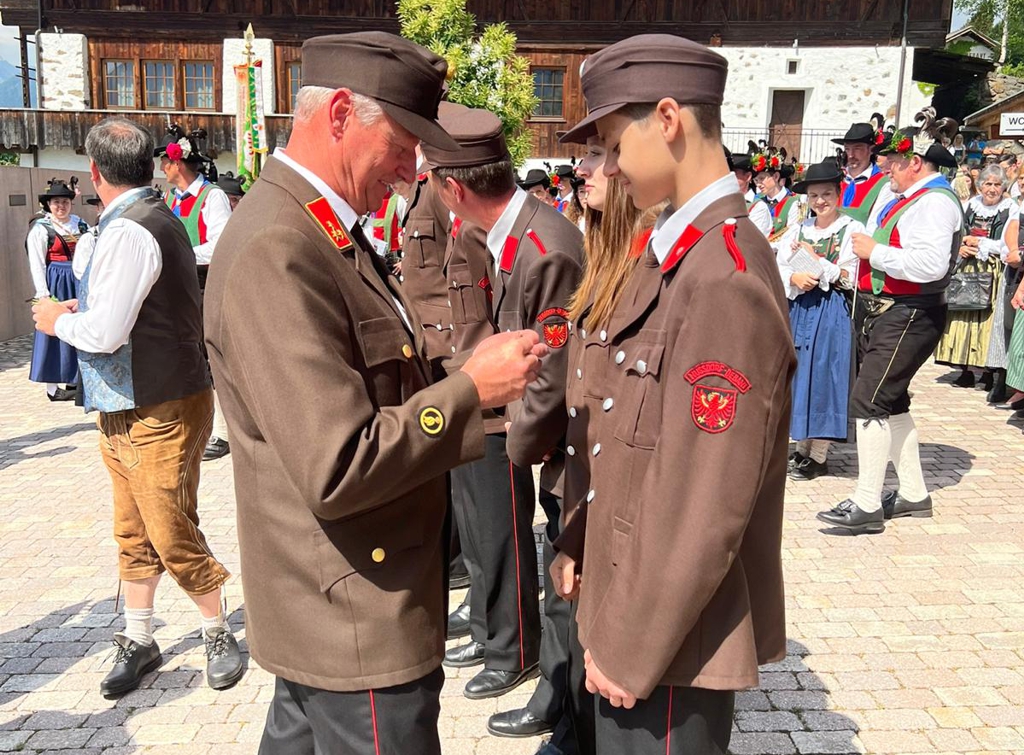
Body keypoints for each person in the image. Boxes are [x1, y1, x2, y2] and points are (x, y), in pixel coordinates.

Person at [203, 33, 546, 754]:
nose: (411, 168)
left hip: (342, 602)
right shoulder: (278, 246)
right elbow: (337, 463)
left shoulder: (320, 229)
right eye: (402, 142)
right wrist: (469, 390)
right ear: (339, 115)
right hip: (354, 614)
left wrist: (466, 376)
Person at [549, 34, 795, 755]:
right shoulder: (677, 255)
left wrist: (630, 644)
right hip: (632, 603)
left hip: (666, 643)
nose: (607, 167)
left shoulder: (723, 275)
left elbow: (704, 498)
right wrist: (578, 540)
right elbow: (621, 425)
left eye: (614, 145)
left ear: (667, 119)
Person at [31, 117, 243, 697]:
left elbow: (104, 334)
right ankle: (140, 635)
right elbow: (124, 307)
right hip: (132, 397)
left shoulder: (130, 230)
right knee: (132, 527)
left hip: (160, 400)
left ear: (94, 172)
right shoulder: (142, 218)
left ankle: (216, 629)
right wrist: (82, 308)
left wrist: (55, 321)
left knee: (168, 523)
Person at [426, 102, 584, 703]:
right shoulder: (508, 235)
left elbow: (553, 369)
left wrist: (513, 447)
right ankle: (540, 678)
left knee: (556, 561)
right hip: (521, 422)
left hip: (553, 436)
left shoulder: (543, 247)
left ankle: (551, 687)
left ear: (454, 189)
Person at [818, 109, 963, 534]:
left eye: (894, 164)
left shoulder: (935, 202)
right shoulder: (910, 198)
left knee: (868, 401)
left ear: (915, 163)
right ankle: (914, 494)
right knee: (890, 401)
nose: (887, 171)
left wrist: (874, 253)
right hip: (893, 311)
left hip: (911, 312)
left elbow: (931, 266)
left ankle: (866, 502)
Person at [776, 160, 864, 481]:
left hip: (831, 310)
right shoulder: (799, 229)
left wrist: (817, 262)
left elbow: (850, 276)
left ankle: (819, 455)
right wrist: (794, 277)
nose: (820, 201)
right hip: (800, 307)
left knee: (825, 375)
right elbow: (779, 265)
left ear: (838, 194)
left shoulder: (852, 229)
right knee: (801, 374)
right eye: (814, 196)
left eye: (826, 194)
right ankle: (802, 448)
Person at [156, 125, 234, 461]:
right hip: (177, 286)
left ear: (178, 163)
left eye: (165, 160)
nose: (162, 167)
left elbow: (221, 246)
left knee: (210, 356)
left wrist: (179, 253)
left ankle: (224, 432)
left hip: (205, 284)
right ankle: (192, 423)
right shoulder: (168, 198)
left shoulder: (212, 197)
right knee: (183, 357)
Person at [934, 164, 1020, 402]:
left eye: (997, 184)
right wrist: (961, 246)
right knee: (963, 317)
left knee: (988, 320)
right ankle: (965, 369)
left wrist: (981, 244)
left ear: (1003, 187)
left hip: (993, 268)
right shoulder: (970, 205)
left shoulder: (1009, 209)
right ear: (980, 185)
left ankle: (989, 373)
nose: (992, 189)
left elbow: (1007, 243)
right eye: (988, 184)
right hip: (968, 266)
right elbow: (956, 232)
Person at [27, 178, 89, 402]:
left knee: (79, 327)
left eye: (65, 202)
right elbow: (37, 263)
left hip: (78, 280)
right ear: (48, 205)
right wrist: (43, 294)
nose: (61, 206)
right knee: (52, 330)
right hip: (56, 280)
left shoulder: (81, 225)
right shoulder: (41, 229)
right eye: (56, 202)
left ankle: (75, 380)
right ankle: (52, 387)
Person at [833, 118, 888, 225]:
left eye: (857, 148)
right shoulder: (836, 179)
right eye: (847, 149)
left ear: (871, 150)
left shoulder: (883, 183)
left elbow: (876, 224)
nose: (851, 155)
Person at [751, 148, 801, 242]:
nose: (758, 184)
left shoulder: (793, 202)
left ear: (776, 176)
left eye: (762, 179)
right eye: (756, 180)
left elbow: (792, 235)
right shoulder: (757, 200)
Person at [727, 148, 772, 237]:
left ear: (748, 177)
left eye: (734, 175)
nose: (729, 179)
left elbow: (753, 240)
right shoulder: (723, 202)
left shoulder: (758, 207)